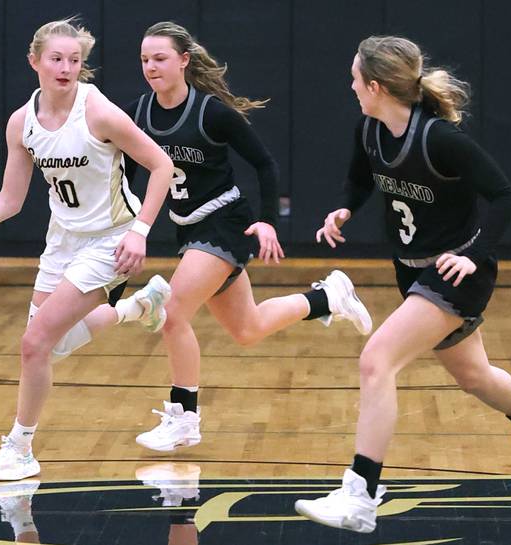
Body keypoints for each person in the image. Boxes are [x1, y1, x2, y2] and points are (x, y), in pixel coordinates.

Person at [294, 36, 511, 533]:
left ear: (375, 85)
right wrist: (344, 209)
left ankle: (361, 494)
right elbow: (360, 181)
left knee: (376, 360)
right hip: (412, 269)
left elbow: (505, 198)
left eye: (355, 78)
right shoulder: (371, 130)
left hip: (456, 271)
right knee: (474, 376)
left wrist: (475, 255)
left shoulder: (441, 139)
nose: (351, 86)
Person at [92, 21, 373, 452]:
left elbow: (265, 164)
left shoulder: (211, 113)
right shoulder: (136, 114)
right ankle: (327, 298)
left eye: (160, 58)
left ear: (184, 61)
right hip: (187, 228)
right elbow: (125, 173)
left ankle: (185, 416)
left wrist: (266, 221)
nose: (151, 66)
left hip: (225, 223)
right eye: (145, 59)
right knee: (248, 328)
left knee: (171, 312)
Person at [0, 18, 175, 481]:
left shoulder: (100, 113)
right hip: (63, 242)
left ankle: (21, 447)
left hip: (112, 238)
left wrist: (141, 231)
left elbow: (161, 165)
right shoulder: (22, 122)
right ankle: (138, 308)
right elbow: (8, 202)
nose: (66, 67)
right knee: (53, 346)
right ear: (34, 61)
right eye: (56, 58)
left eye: (75, 60)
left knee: (34, 344)